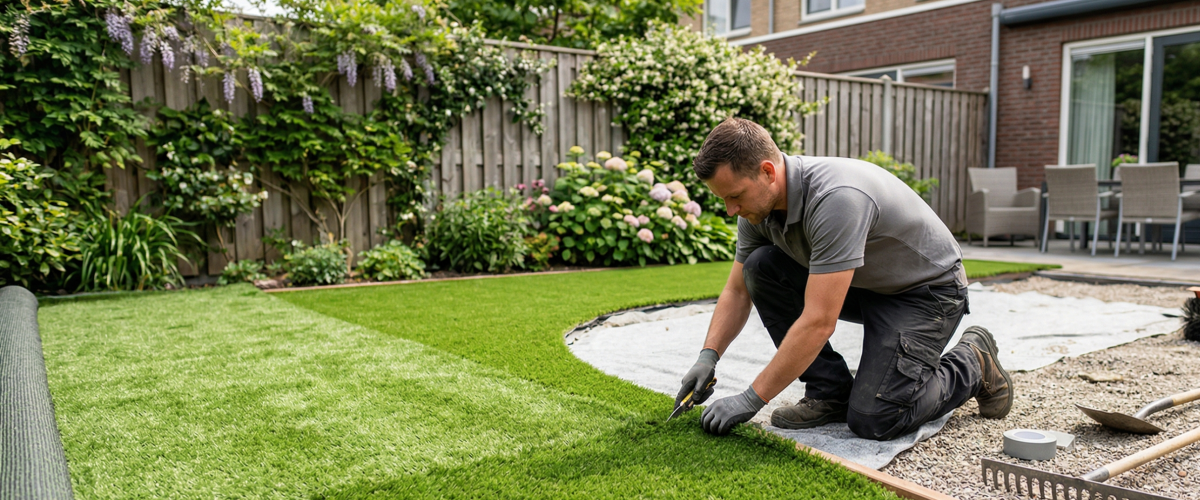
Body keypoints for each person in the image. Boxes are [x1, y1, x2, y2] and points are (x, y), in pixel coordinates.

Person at [678, 117, 1013, 440]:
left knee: (876, 417)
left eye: (734, 196)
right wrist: (708, 355)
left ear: (768, 172)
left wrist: (752, 398)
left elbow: (819, 320)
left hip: (926, 293)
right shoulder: (757, 210)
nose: (730, 209)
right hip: (866, 283)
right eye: (723, 199)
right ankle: (829, 392)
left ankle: (974, 360)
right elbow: (737, 292)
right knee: (760, 267)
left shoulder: (836, 198)